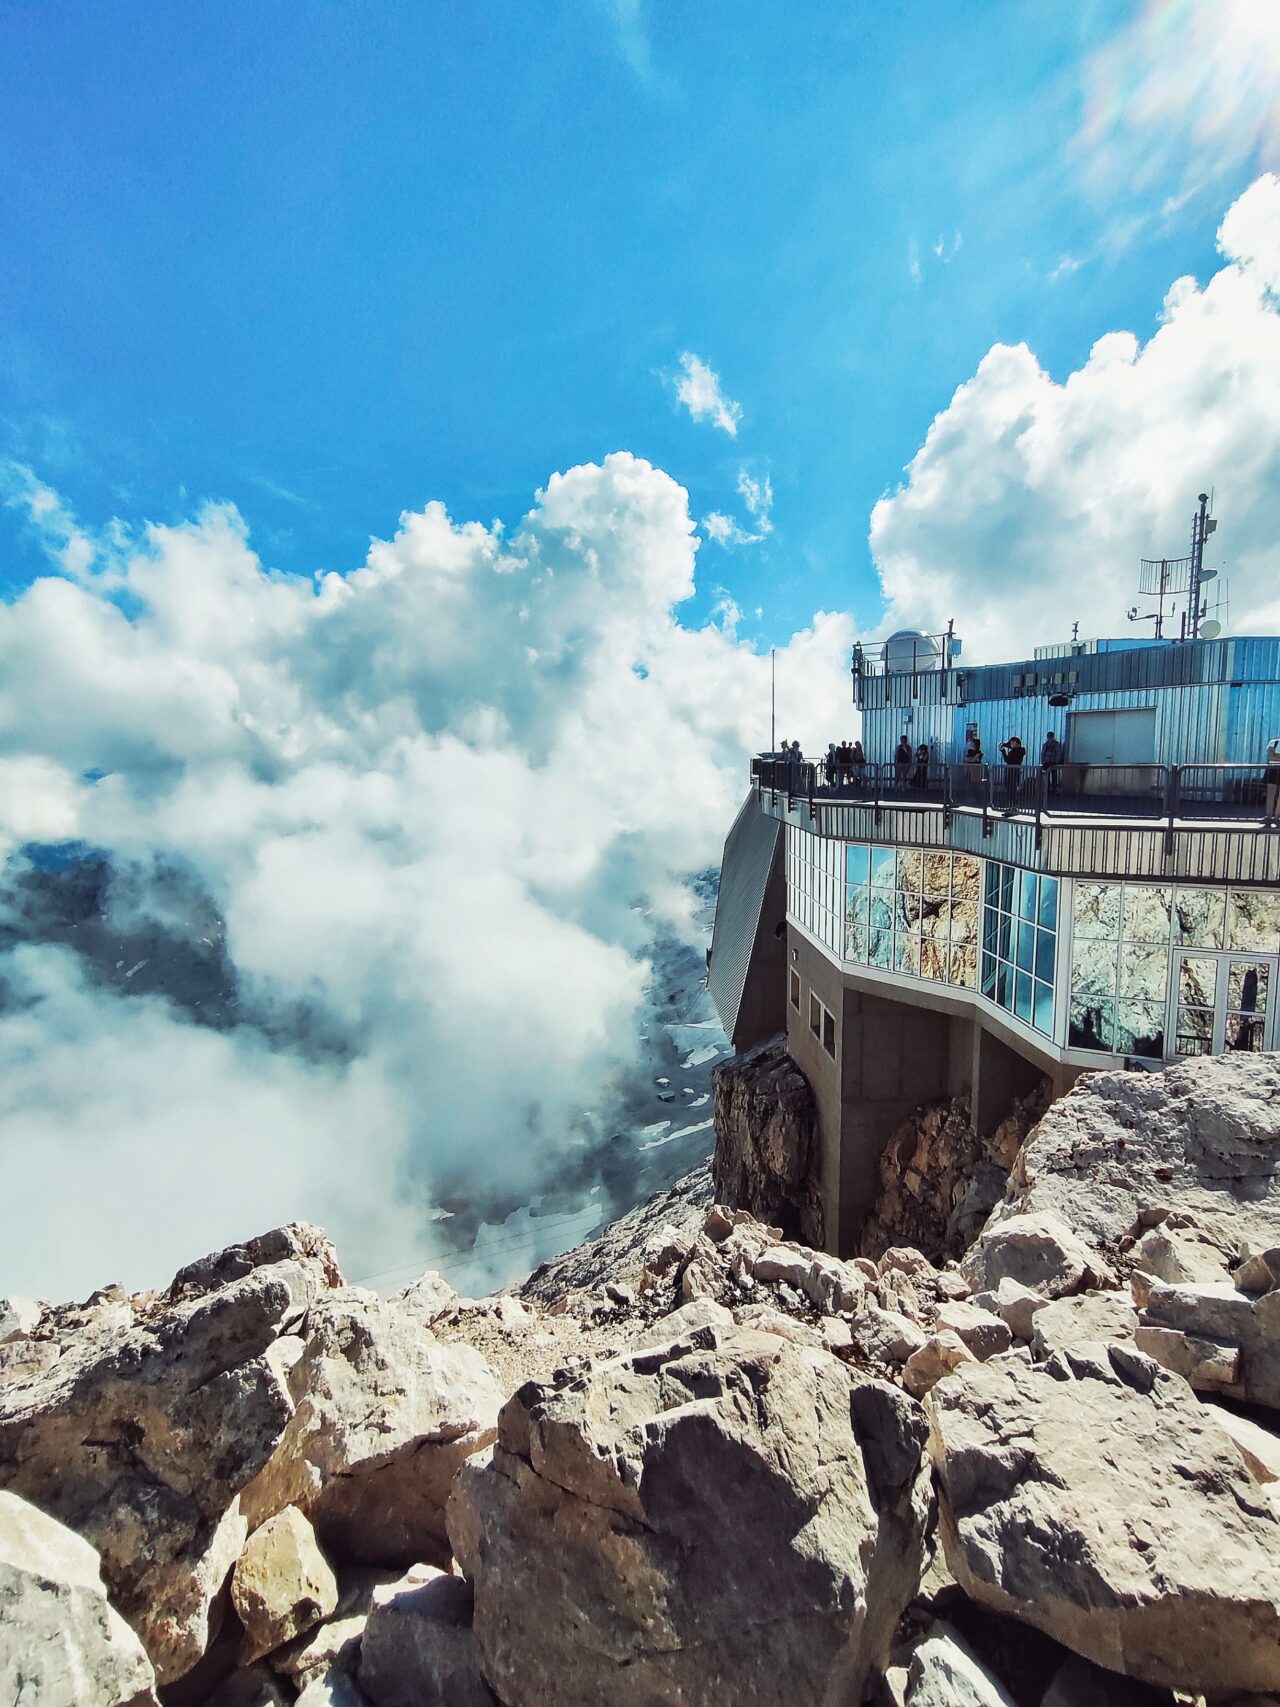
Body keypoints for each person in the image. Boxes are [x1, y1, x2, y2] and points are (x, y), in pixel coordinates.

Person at [998, 733, 1025, 814]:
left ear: (1018, 744)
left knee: (1011, 789)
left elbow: (1007, 760)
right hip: (1011, 771)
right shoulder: (1018, 750)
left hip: (1013, 772)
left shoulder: (1018, 751)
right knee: (1010, 789)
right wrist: (1003, 747)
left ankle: (1013, 807)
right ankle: (1012, 807)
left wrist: (1003, 751)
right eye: (1011, 743)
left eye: (1014, 743)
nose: (1011, 744)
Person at [1041, 730, 1064, 796]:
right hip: (1047, 762)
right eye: (1049, 737)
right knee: (1047, 777)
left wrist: (1056, 761)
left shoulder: (1055, 744)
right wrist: (1043, 761)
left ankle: (1053, 790)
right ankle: (1048, 790)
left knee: (1054, 777)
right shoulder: (1046, 744)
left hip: (1052, 762)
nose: (1050, 739)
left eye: (1050, 737)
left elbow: (1058, 754)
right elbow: (1043, 753)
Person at [1266, 736, 1280, 827]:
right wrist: (1275, 756)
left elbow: (1274, 756)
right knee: (1271, 793)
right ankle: (1269, 816)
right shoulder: (1273, 742)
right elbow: (1271, 757)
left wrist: (1277, 755)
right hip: (1273, 769)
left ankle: (1277, 817)